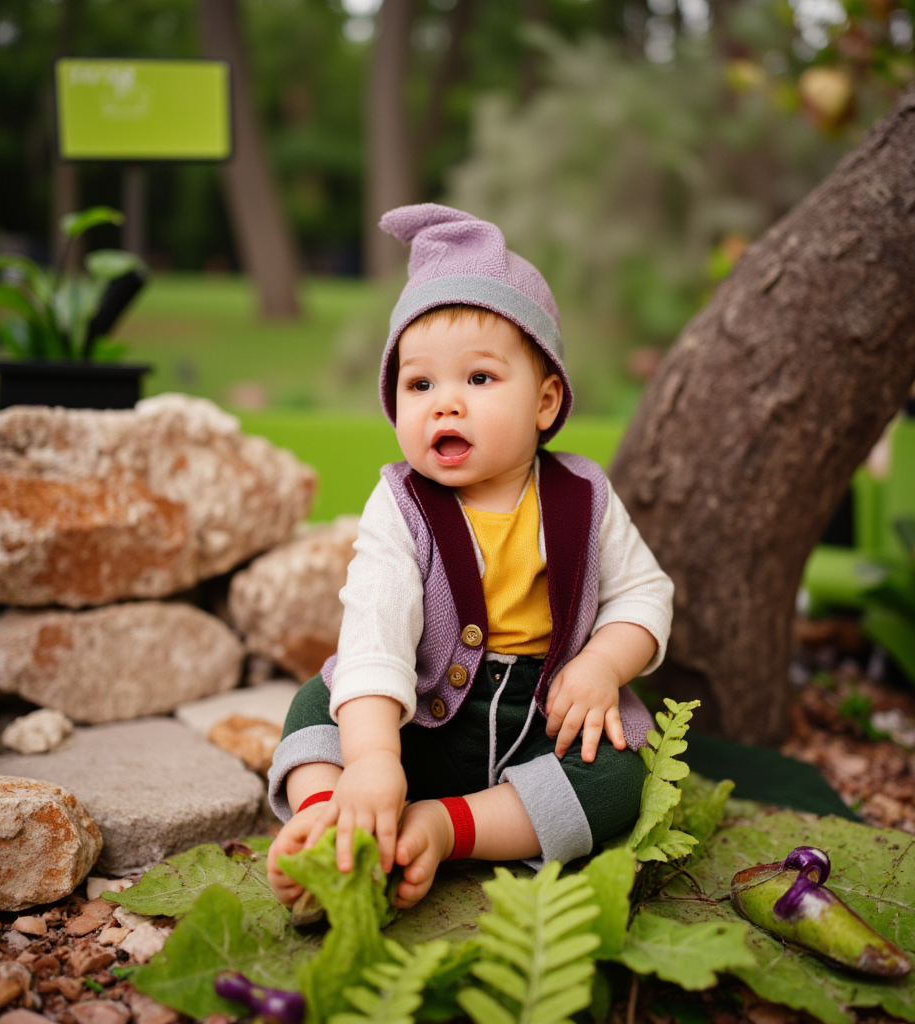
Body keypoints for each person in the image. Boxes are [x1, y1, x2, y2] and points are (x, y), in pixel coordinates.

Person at [266, 204, 674, 910]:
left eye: (479, 379)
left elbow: (644, 594)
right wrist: (373, 759)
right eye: (419, 385)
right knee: (321, 703)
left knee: (618, 777)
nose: (445, 405)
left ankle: (445, 827)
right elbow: (375, 636)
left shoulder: (583, 496)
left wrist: (603, 666)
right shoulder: (401, 505)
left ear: (545, 401)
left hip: (544, 720)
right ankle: (331, 820)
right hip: (421, 713)